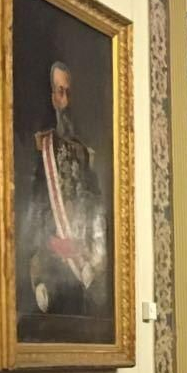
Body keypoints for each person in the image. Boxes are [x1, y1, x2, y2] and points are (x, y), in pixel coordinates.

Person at [21, 61, 110, 343]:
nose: (64, 100)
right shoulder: (40, 147)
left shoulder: (83, 153)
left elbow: (94, 206)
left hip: (79, 259)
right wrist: (40, 270)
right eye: (59, 92)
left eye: (68, 92)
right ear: (49, 95)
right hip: (52, 256)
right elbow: (33, 209)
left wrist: (90, 257)